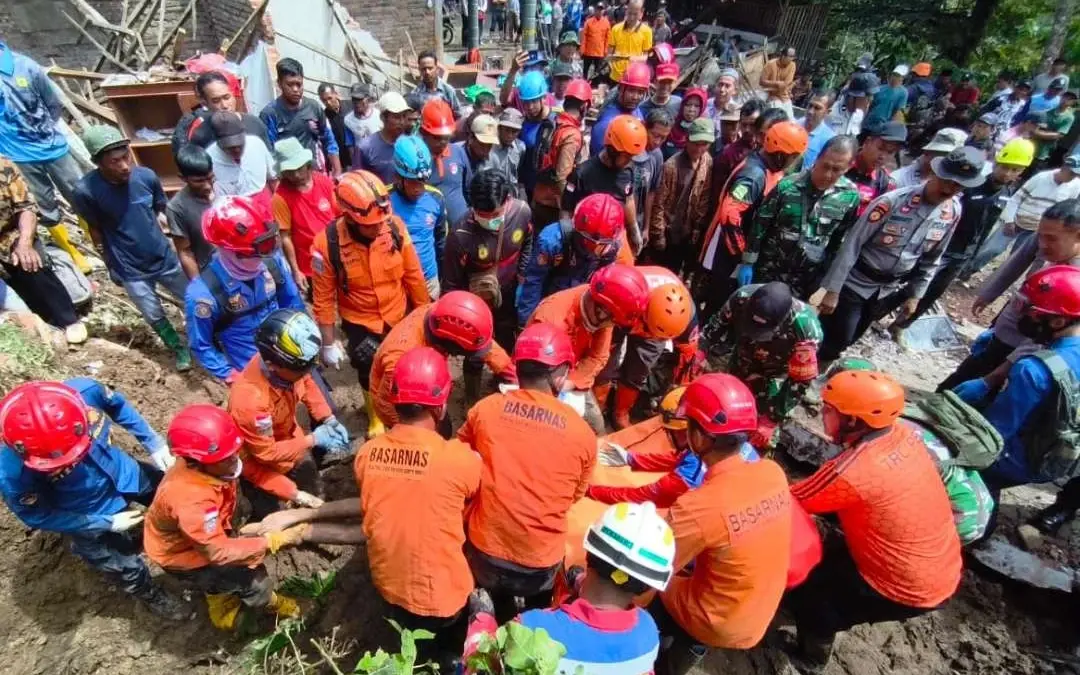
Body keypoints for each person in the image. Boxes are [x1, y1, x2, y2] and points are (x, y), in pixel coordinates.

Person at [786, 370, 962, 672]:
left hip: (902, 585)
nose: (821, 415)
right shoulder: (905, 436)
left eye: (828, 410)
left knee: (816, 602)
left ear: (853, 421)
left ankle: (811, 658)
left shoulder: (854, 472)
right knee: (829, 561)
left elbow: (790, 500)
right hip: (940, 565)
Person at [0, 379, 187, 619]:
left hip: (124, 473)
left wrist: (153, 442)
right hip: (86, 512)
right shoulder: (13, 474)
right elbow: (37, 515)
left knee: (171, 499)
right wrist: (104, 523)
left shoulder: (87, 393)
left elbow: (118, 406)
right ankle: (149, 593)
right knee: (123, 566)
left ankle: (183, 536)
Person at [648, 374, 792, 674]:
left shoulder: (698, 507)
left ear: (699, 437)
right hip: (759, 612)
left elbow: (651, 568)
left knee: (651, 589)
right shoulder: (772, 473)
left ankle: (658, 652)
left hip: (716, 620)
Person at [458, 323, 597, 622]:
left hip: (485, 550)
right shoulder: (582, 434)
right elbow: (575, 496)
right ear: (560, 374)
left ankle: (493, 617)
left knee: (494, 599)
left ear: (518, 369)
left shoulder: (485, 410)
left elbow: (458, 462)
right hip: (540, 562)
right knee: (536, 615)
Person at [144, 404, 311, 630]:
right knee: (253, 581)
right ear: (196, 462)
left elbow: (255, 472)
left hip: (204, 533)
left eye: (234, 451)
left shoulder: (217, 460)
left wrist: (294, 493)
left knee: (241, 513)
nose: (234, 459)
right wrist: (270, 542)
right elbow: (217, 552)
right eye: (227, 457)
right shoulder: (190, 499)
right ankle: (253, 608)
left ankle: (217, 589)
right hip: (184, 554)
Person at [816, 147, 984, 365]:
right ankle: (805, 371)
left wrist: (915, 295)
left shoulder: (951, 212)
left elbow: (933, 257)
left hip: (886, 290)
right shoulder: (892, 202)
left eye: (958, 185)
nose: (951, 188)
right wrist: (833, 290)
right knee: (838, 334)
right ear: (936, 174)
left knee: (854, 335)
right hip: (856, 281)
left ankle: (818, 371)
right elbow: (852, 245)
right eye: (947, 181)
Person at [474, 501, 673, 672]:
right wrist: (579, 583)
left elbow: (482, 668)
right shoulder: (647, 633)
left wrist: (482, 623)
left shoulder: (530, 629)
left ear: (589, 554)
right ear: (647, 586)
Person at [311, 170, 430, 435]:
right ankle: (375, 415)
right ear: (350, 218)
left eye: (381, 222)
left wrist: (423, 314)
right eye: (371, 224)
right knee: (367, 366)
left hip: (398, 314)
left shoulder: (395, 228)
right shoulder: (327, 245)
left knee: (406, 362)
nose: (379, 228)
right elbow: (323, 298)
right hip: (360, 321)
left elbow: (413, 275)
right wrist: (328, 343)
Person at [73, 125, 192, 371]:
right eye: (114, 161)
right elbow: (95, 229)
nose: (124, 165)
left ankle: (207, 336)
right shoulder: (86, 192)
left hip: (163, 256)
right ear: (99, 163)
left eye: (125, 157)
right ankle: (178, 348)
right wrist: (109, 263)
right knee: (153, 312)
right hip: (130, 267)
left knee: (193, 297)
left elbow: (159, 209)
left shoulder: (146, 177)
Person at [939, 199, 1080, 390]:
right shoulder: (1053, 248)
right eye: (1041, 236)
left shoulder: (1074, 280)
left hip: (1022, 349)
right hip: (1007, 328)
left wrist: (995, 376)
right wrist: (990, 295)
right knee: (962, 378)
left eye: (1051, 239)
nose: (1042, 244)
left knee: (979, 393)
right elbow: (1018, 261)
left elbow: (1043, 337)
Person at [892, 139, 1032, 331]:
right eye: (1005, 167)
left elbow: (986, 228)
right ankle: (878, 312)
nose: (1007, 173)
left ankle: (900, 326)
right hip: (945, 247)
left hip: (964, 254)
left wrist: (972, 256)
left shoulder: (1006, 193)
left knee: (933, 292)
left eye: (1014, 170)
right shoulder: (973, 186)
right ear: (997, 162)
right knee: (914, 284)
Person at [228, 309, 349, 516]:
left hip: (291, 439)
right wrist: (313, 440)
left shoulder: (291, 364)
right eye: (301, 370)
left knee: (314, 491)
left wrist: (327, 417)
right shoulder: (251, 402)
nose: (306, 372)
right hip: (259, 465)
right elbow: (267, 454)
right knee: (275, 515)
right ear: (272, 366)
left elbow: (308, 383)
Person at [185, 196, 306, 384]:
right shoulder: (203, 296)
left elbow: (293, 303)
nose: (263, 257)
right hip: (252, 376)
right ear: (230, 250)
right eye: (255, 254)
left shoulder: (272, 263)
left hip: (293, 357)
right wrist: (231, 377)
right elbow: (202, 345)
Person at [699, 120, 809, 320]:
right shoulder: (754, 175)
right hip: (727, 255)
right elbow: (730, 215)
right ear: (781, 154)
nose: (794, 162)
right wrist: (742, 256)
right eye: (793, 157)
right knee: (717, 305)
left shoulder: (769, 169)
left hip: (737, 252)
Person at [443, 170, 533, 402]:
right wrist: (460, 320)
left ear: (507, 201)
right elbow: (451, 284)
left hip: (509, 291)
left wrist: (523, 273)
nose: (487, 220)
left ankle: (502, 384)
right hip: (474, 302)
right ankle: (472, 399)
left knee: (505, 339)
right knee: (475, 352)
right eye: (480, 214)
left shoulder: (521, 213)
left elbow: (528, 240)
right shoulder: (461, 234)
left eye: (493, 214)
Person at [0, 40, 90, 272]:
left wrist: (44, 131)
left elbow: (53, 104)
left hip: (53, 147)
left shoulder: (25, 66)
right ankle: (73, 252)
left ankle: (97, 239)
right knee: (42, 205)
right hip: (18, 155)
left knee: (80, 194)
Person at [370, 291, 516, 430]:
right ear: (451, 346)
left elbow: (482, 342)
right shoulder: (401, 358)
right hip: (401, 401)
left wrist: (512, 374)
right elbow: (387, 405)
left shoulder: (441, 315)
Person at [529, 263, 649, 431]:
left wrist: (572, 382)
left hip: (569, 378)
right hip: (541, 380)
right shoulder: (551, 319)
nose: (611, 325)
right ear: (602, 310)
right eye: (612, 320)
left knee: (595, 427)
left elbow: (598, 356)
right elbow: (535, 375)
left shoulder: (604, 308)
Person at [739, 135, 861, 299]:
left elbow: (838, 241)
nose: (828, 174)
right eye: (825, 166)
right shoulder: (788, 186)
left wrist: (824, 278)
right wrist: (748, 262)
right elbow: (760, 225)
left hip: (804, 281)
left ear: (848, 167)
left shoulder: (850, 197)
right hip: (768, 272)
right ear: (818, 158)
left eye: (837, 170)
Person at [702, 282, 822, 441]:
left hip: (777, 371)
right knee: (727, 405)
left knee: (761, 430)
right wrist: (699, 350)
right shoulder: (742, 297)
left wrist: (772, 419)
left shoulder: (807, 331)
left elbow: (799, 383)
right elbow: (716, 325)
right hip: (743, 356)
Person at [518, 188, 634, 327]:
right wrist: (526, 323)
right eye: (587, 240)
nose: (592, 248)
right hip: (548, 302)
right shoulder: (553, 241)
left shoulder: (614, 249)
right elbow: (533, 282)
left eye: (600, 245)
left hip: (583, 309)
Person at [0, 158, 86, 342]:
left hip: (9, 235)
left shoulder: (4, 166)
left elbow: (26, 207)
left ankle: (67, 320)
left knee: (29, 262)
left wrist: (24, 243)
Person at [601, 269, 697, 429]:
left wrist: (679, 397)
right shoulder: (627, 297)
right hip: (626, 311)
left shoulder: (688, 319)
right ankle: (598, 405)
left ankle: (621, 413)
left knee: (639, 369)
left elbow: (688, 361)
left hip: (656, 322)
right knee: (605, 363)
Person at [587, 386, 702, 506]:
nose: (669, 438)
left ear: (688, 431)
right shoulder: (705, 449)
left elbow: (638, 496)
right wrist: (631, 458)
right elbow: (677, 459)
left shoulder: (687, 477)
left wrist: (589, 491)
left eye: (671, 432)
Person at [271, 138, 340, 293]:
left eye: (299, 168)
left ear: (307, 164)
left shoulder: (323, 181)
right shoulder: (280, 197)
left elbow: (338, 215)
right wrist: (296, 270)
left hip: (337, 254)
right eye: (290, 172)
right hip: (310, 263)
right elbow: (285, 236)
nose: (296, 175)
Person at [566, 114, 645, 248]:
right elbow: (566, 210)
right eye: (626, 156)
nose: (629, 161)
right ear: (612, 150)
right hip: (586, 241)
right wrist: (568, 242)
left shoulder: (628, 170)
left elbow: (628, 198)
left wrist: (634, 230)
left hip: (614, 240)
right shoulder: (582, 174)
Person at [649, 117, 714, 276]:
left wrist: (697, 229)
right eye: (696, 143)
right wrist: (658, 236)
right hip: (669, 231)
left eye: (704, 144)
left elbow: (704, 197)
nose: (699, 149)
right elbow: (659, 204)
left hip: (687, 232)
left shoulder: (707, 162)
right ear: (687, 140)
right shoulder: (671, 166)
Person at [259, 58, 341, 175]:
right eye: (290, 84)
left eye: (299, 84)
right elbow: (269, 153)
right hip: (289, 177)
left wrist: (337, 171)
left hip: (315, 173)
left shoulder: (313, 107)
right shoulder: (269, 114)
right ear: (279, 84)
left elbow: (328, 139)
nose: (296, 89)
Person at [389, 135, 447, 298]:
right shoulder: (383, 201)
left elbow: (441, 240)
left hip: (429, 281)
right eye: (412, 182)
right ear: (398, 177)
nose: (418, 189)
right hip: (397, 283)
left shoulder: (436, 198)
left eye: (422, 181)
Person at [531, 79, 592, 227]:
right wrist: (566, 210)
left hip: (538, 197)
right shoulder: (571, 134)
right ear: (584, 106)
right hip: (552, 207)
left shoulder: (554, 121)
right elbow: (561, 176)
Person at [176, 71, 271, 156]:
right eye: (216, 101)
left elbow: (270, 157)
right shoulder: (201, 134)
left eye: (227, 97)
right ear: (205, 103)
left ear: (234, 95)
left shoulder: (255, 123)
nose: (224, 105)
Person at [1001, 156, 1080, 254]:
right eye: (1072, 173)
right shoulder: (1041, 177)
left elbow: (1063, 211)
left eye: (1076, 175)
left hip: (1035, 229)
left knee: (1017, 256)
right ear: (1064, 167)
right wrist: (1009, 220)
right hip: (1017, 219)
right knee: (992, 249)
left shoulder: (1076, 186)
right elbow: (1016, 198)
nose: (1073, 177)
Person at [421, 99, 474, 227]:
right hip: (430, 232)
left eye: (446, 137)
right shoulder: (417, 160)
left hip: (460, 230)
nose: (443, 142)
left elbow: (469, 188)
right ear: (424, 133)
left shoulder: (458, 152)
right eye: (437, 138)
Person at [168, 145, 217, 278]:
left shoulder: (220, 188)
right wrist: (199, 287)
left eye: (210, 178)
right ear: (183, 178)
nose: (207, 186)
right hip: (210, 271)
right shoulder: (177, 208)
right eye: (199, 181)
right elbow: (185, 252)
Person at [709, 100, 769, 206]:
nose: (747, 130)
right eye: (744, 124)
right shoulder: (728, 155)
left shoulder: (769, 152)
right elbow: (717, 194)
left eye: (752, 125)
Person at [205, 112, 278, 201]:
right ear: (218, 142)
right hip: (232, 207)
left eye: (240, 145)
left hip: (263, 201)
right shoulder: (208, 158)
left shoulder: (256, 143)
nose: (236, 150)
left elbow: (273, 178)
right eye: (230, 147)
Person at [590, 62, 649, 158]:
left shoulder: (636, 111)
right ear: (621, 89)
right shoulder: (607, 123)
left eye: (640, 92)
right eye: (631, 90)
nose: (635, 97)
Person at [845, 120, 906, 214]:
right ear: (867, 142)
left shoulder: (884, 182)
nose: (883, 156)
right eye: (880, 148)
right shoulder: (842, 162)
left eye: (890, 152)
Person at [633, 109, 672, 251]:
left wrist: (646, 227)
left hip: (639, 217)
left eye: (663, 138)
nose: (657, 142)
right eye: (655, 135)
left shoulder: (657, 156)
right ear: (644, 126)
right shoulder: (629, 148)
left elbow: (651, 193)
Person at [512, 71, 556, 198]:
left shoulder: (555, 123)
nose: (529, 107)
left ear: (544, 98)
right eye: (526, 103)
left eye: (533, 101)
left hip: (547, 191)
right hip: (528, 189)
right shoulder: (522, 124)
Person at [354, 92, 413, 184]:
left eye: (404, 116)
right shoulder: (365, 148)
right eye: (397, 117)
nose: (402, 122)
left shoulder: (410, 145)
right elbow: (357, 182)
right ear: (383, 118)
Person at [891, 127, 968, 189]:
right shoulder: (898, 180)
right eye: (941, 154)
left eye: (952, 158)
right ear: (927, 153)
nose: (945, 162)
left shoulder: (952, 188)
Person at [606, 0, 652, 86]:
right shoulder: (616, 29)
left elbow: (647, 57)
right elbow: (609, 54)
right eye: (629, 13)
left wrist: (632, 58)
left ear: (642, 12)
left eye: (635, 14)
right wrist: (611, 61)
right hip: (615, 77)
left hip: (634, 77)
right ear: (626, 10)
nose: (631, 17)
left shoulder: (647, 31)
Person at [1033, 91, 1077, 171]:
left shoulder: (1069, 117)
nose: (1065, 100)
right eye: (1065, 97)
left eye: (1070, 99)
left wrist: (1036, 133)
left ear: (1073, 102)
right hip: (1032, 145)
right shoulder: (1050, 109)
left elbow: (1059, 135)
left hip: (1044, 152)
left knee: (1033, 174)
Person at [412, 50, 462, 116]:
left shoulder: (447, 91)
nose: (427, 72)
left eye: (430, 68)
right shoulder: (416, 93)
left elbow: (458, 114)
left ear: (437, 69)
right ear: (419, 70)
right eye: (424, 69)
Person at [826, 72, 878, 137]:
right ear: (854, 96)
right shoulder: (831, 112)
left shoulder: (860, 115)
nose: (871, 100)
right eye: (868, 96)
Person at [486, 108, 526, 188]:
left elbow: (518, 169)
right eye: (507, 130)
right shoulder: (489, 148)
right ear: (499, 128)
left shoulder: (520, 147)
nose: (510, 135)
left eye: (514, 131)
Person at [343, 83, 382, 163]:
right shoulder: (348, 120)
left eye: (359, 99)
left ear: (368, 99)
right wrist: (355, 163)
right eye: (354, 99)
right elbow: (350, 144)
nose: (356, 103)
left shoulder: (378, 116)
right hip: (361, 159)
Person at [662, 88, 706, 159]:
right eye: (688, 104)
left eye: (696, 106)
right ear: (682, 105)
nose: (691, 109)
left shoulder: (703, 133)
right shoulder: (671, 125)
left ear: (702, 108)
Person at [798, 90, 836, 170]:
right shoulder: (792, 126)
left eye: (817, 108)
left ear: (828, 112)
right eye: (810, 105)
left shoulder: (830, 140)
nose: (810, 112)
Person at [318, 83, 350, 170]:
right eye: (324, 100)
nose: (327, 102)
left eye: (329, 98)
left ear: (335, 94)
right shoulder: (323, 117)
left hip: (355, 157)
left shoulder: (350, 107)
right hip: (340, 162)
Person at [761, 46, 797, 118]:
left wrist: (779, 86)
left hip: (783, 95)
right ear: (783, 56)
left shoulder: (792, 65)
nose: (792, 59)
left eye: (793, 57)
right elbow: (762, 82)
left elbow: (787, 83)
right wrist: (777, 83)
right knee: (779, 117)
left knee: (791, 119)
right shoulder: (770, 64)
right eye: (790, 56)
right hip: (769, 94)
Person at [704, 68, 741, 134]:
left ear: (735, 90)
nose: (722, 89)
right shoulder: (704, 105)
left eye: (727, 86)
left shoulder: (737, 111)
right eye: (720, 84)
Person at [580, 6, 610, 81]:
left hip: (599, 52)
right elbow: (584, 37)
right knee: (585, 70)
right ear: (595, 10)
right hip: (588, 51)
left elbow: (607, 38)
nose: (599, 12)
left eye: (601, 10)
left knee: (597, 71)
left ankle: (595, 85)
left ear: (603, 11)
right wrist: (582, 49)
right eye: (597, 10)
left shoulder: (606, 22)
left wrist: (606, 50)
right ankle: (584, 82)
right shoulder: (588, 22)